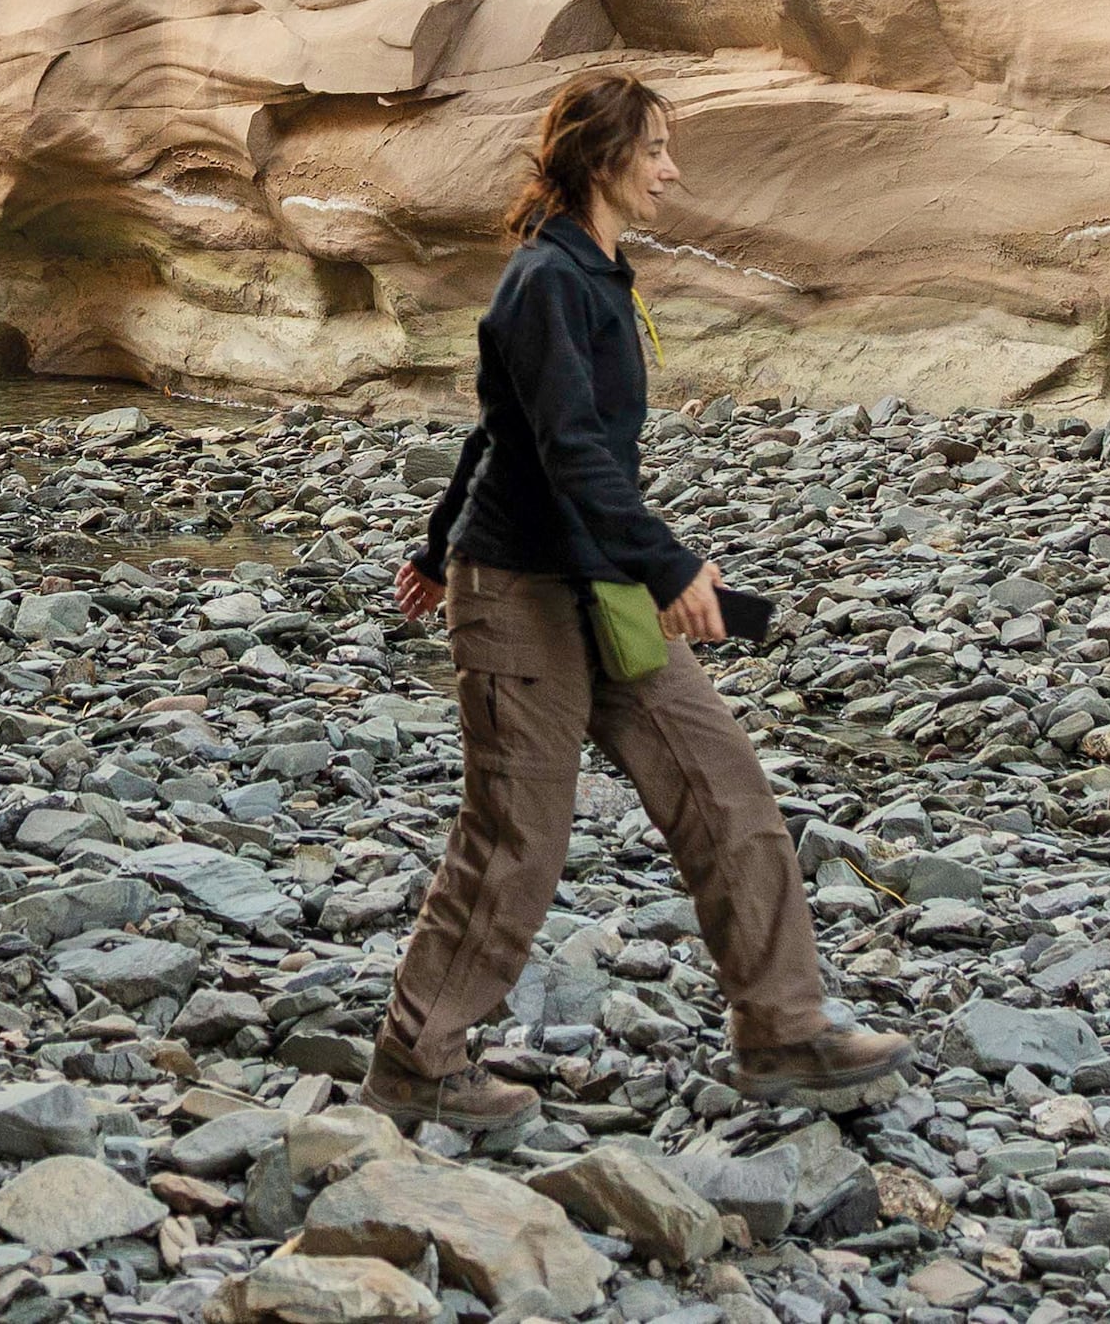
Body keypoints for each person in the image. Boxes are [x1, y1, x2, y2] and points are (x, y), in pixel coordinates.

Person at [368, 71, 911, 1130]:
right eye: (654, 147)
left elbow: (498, 429)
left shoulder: (599, 274)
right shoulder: (546, 281)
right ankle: (416, 1058)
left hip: (597, 583)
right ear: (599, 156)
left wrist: (439, 543)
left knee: (724, 786)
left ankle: (783, 1029)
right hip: (522, 589)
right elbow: (556, 443)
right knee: (517, 831)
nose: (670, 167)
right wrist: (662, 565)